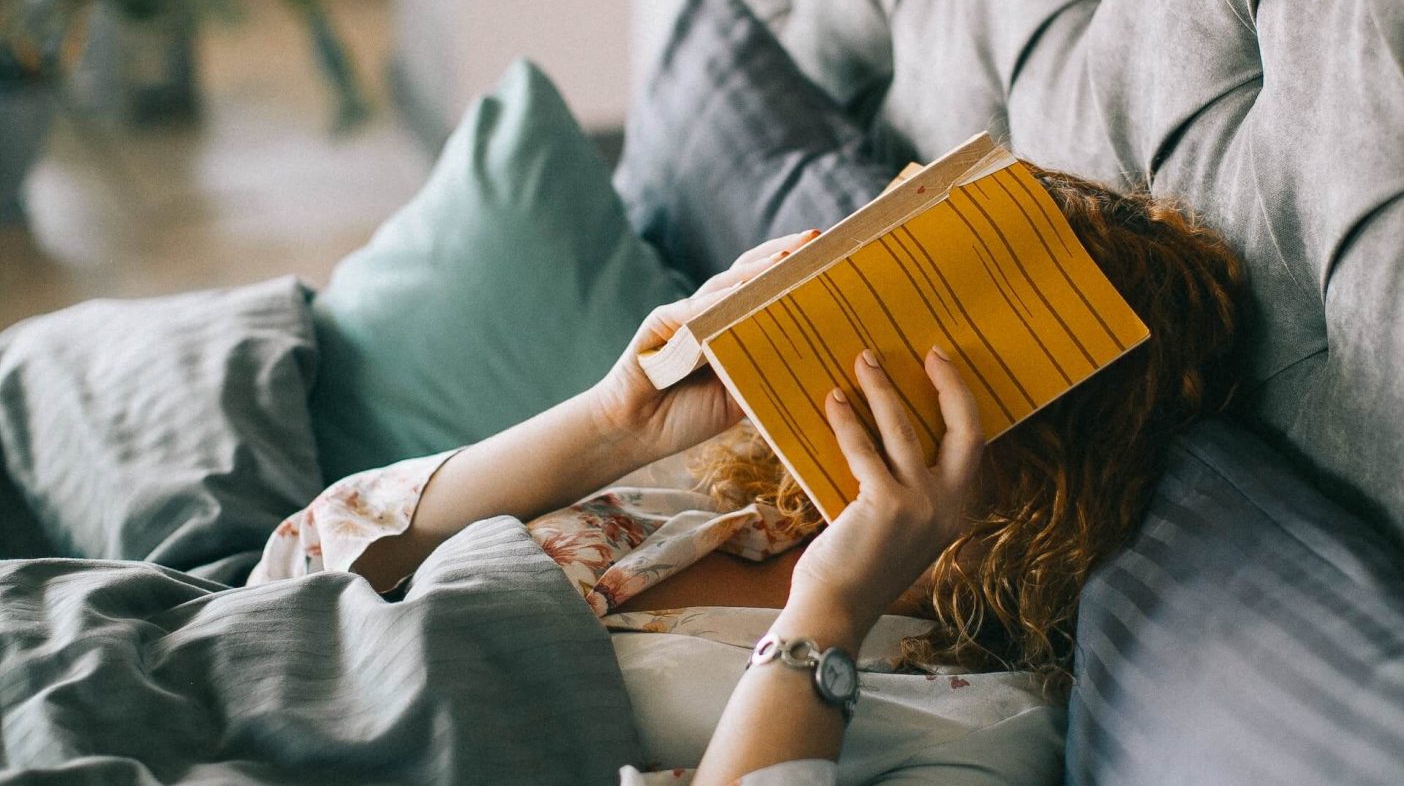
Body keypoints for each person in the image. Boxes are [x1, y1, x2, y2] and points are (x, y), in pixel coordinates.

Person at [250, 163, 1246, 784]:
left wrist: (831, 606)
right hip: (218, 673)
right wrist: (611, 424)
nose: (863, 350)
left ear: (1048, 452)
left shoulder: (977, 727)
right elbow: (307, 557)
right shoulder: (727, 486)